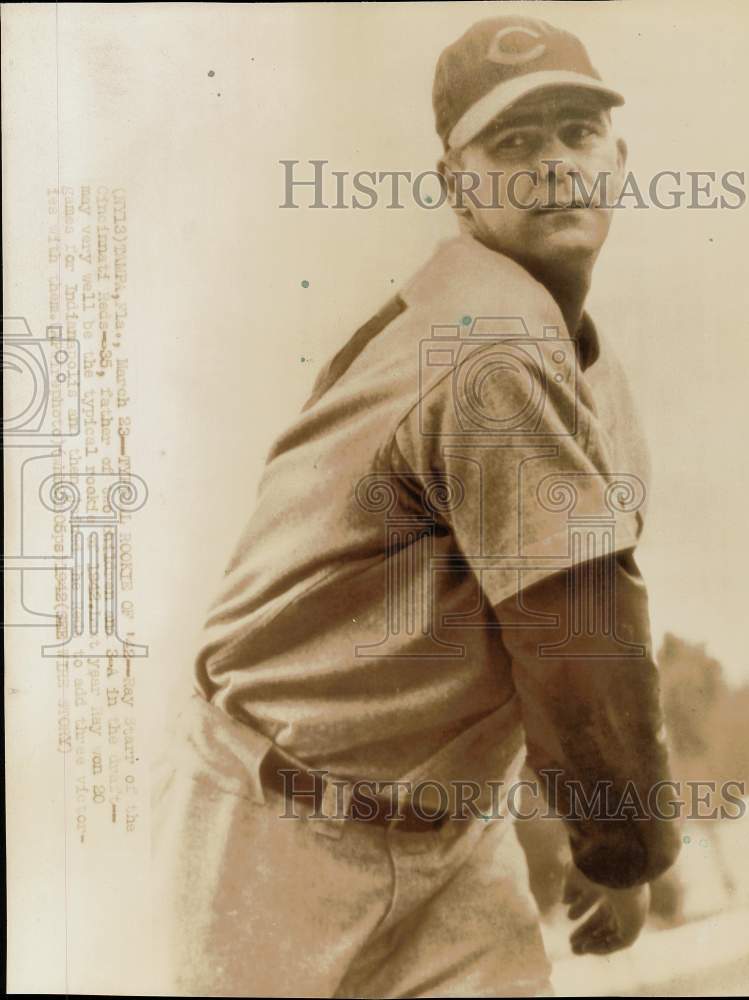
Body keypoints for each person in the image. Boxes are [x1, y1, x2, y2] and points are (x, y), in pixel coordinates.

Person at [152, 15, 680, 997]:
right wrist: (622, 847)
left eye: (575, 131)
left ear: (619, 157)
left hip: (448, 836)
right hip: (274, 829)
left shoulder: (568, 346)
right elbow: (574, 632)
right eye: (512, 144)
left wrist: (605, 827)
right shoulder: (488, 344)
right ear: (455, 184)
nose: (553, 165)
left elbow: (589, 607)